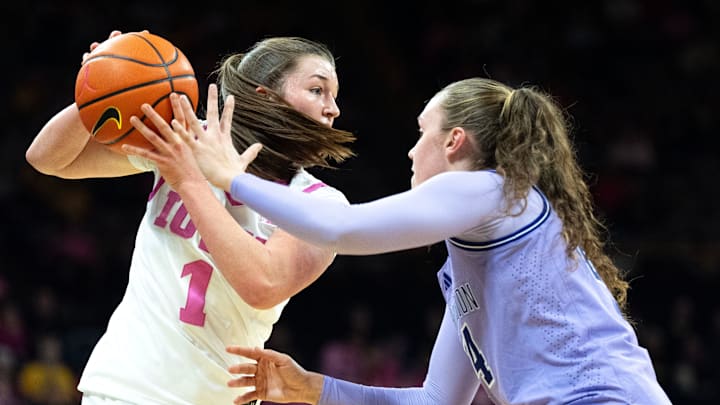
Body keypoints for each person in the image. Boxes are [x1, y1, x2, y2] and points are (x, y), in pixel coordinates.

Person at [126, 77, 672, 404]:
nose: (411, 152)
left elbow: (343, 229)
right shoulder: (471, 265)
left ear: (455, 141)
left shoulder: (492, 190)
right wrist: (313, 390)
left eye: (421, 133)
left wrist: (228, 177)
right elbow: (437, 401)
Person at [25, 30, 355, 404]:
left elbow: (263, 285)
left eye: (333, 96)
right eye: (318, 90)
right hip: (124, 388)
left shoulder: (320, 202)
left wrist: (189, 181)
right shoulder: (181, 141)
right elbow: (49, 159)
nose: (334, 109)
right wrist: (102, 85)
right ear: (266, 97)